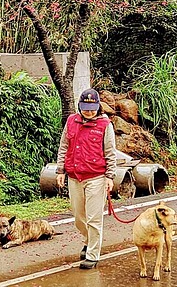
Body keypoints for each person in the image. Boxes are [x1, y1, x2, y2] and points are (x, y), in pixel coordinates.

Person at [56, 88, 116, 269]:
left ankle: (92, 254)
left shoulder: (105, 125)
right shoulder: (71, 121)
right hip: (74, 176)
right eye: (85, 108)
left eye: (92, 108)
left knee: (94, 218)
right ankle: (88, 240)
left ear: (98, 107)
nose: (88, 112)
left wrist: (109, 176)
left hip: (96, 177)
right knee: (78, 216)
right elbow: (64, 146)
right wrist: (60, 171)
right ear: (79, 106)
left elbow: (110, 152)